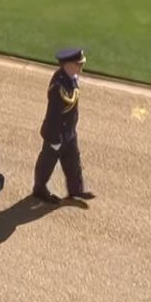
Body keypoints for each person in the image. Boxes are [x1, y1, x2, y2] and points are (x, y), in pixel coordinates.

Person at [32, 48, 94, 204]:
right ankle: (39, 189)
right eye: (78, 64)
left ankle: (76, 190)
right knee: (47, 163)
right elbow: (53, 115)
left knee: (73, 162)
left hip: (69, 132)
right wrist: (55, 139)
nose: (80, 67)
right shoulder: (58, 87)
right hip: (56, 134)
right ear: (68, 65)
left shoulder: (71, 78)